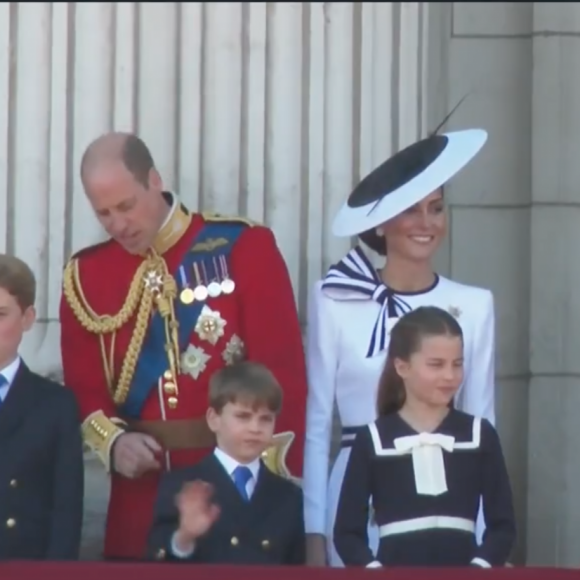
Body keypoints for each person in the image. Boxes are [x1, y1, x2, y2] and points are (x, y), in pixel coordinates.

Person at [59, 132, 307, 560]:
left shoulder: (243, 248)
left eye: (126, 206)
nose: (118, 224)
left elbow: (282, 378)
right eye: (103, 214)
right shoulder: (86, 276)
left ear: (154, 180)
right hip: (140, 497)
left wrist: (265, 488)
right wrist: (115, 444)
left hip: (229, 488)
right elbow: (84, 390)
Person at [303, 127, 496, 566]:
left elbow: (483, 426)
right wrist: (314, 530)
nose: (427, 223)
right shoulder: (334, 298)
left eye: (436, 208)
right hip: (356, 490)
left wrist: (487, 541)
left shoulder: (474, 305)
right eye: (411, 209)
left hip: (448, 492)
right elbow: (316, 423)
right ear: (382, 222)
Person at [333, 306, 515, 567]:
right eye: (436, 365)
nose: (449, 376)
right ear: (402, 366)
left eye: (457, 364)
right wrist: (374, 571)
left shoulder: (479, 434)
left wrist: (479, 567)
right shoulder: (372, 438)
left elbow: (503, 527)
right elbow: (347, 533)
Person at [148, 361, 305, 564]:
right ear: (214, 419)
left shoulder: (288, 496)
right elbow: (155, 563)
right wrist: (184, 536)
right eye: (243, 417)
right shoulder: (181, 485)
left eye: (265, 419)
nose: (255, 428)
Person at [0, 255, 84, 560]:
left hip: (23, 565)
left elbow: (66, 511)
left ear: (27, 318)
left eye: (0, 314)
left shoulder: (55, 404)